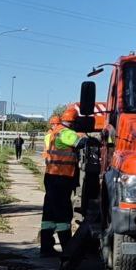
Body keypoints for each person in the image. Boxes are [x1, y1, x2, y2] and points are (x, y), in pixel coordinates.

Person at [40, 111, 80, 258]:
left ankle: (46, 247)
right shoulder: (66, 133)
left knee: (49, 212)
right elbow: (81, 142)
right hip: (61, 178)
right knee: (63, 212)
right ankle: (67, 249)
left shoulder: (55, 132)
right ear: (73, 122)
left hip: (51, 176)